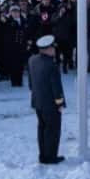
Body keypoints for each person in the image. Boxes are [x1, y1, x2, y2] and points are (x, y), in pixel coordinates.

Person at [28, 35, 65, 164]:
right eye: (52, 48)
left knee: (42, 129)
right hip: (50, 104)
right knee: (53, 130)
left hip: (38, 102)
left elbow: (31, 83)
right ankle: (51, 157)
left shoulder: (32, 60)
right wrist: (60, 103)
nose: (54, 50)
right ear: (47, 49)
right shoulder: (51, 65)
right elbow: (56, 87)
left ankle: (43, 155)